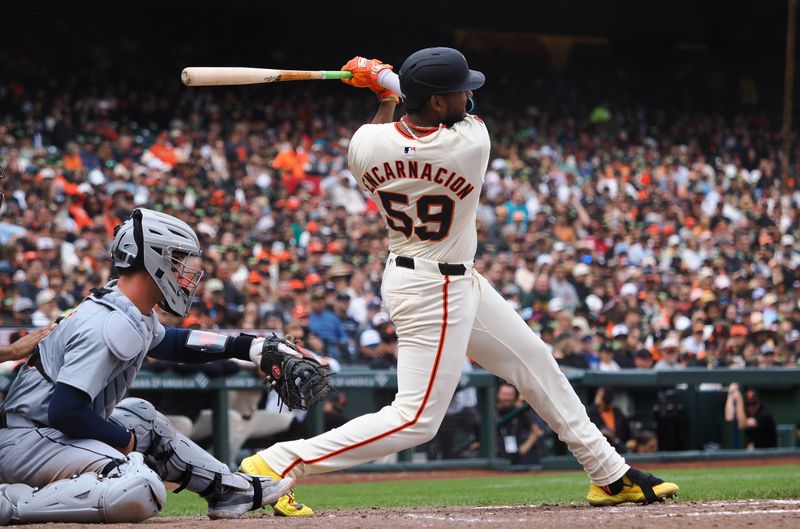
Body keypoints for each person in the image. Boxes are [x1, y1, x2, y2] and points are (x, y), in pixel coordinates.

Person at [238, 47, 677, 512]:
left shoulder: (365, 146)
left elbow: (383, 126)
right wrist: (383, 77)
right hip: (435, 289)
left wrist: (382, 86)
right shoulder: (469, 144)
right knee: (416, 421)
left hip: (435, 274)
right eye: (458, 91)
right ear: (436, 103)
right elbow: (443, 114)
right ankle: (278, 462)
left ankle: (609, 473)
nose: (468, 95)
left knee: (532, 359)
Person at [0, 208, 293, 525]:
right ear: (154, 259)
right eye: (177, 258)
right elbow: (66, 411)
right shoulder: (107, 322)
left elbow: (174, 343)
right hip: (30, 440)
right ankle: (9, 505)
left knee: (143, 416)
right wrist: (126, 441)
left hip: (47, 434)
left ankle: (229, 490)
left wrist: (246, 346)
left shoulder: (125, 307)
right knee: (140, 486)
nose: (185, 272)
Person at [496, 383, 546, 464]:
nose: (507, 398)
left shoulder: (522, 412)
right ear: (498, 395)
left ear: (515, 396)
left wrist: (522, 407)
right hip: (499, 457)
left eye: (510, 395)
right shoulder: (492, 412)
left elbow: (539, 430)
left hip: (524, 457)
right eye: (504, 394)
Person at [725, 385, 777, 449]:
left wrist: (739, 400)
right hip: (754, 452)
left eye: (754, 404)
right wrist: (730, 394)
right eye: (748, 405)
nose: (751, 408)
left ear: (759, 403)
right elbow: (729, 417)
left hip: (769, 453)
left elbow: (742, 425)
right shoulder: (746, 411)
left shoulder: (765, 414)